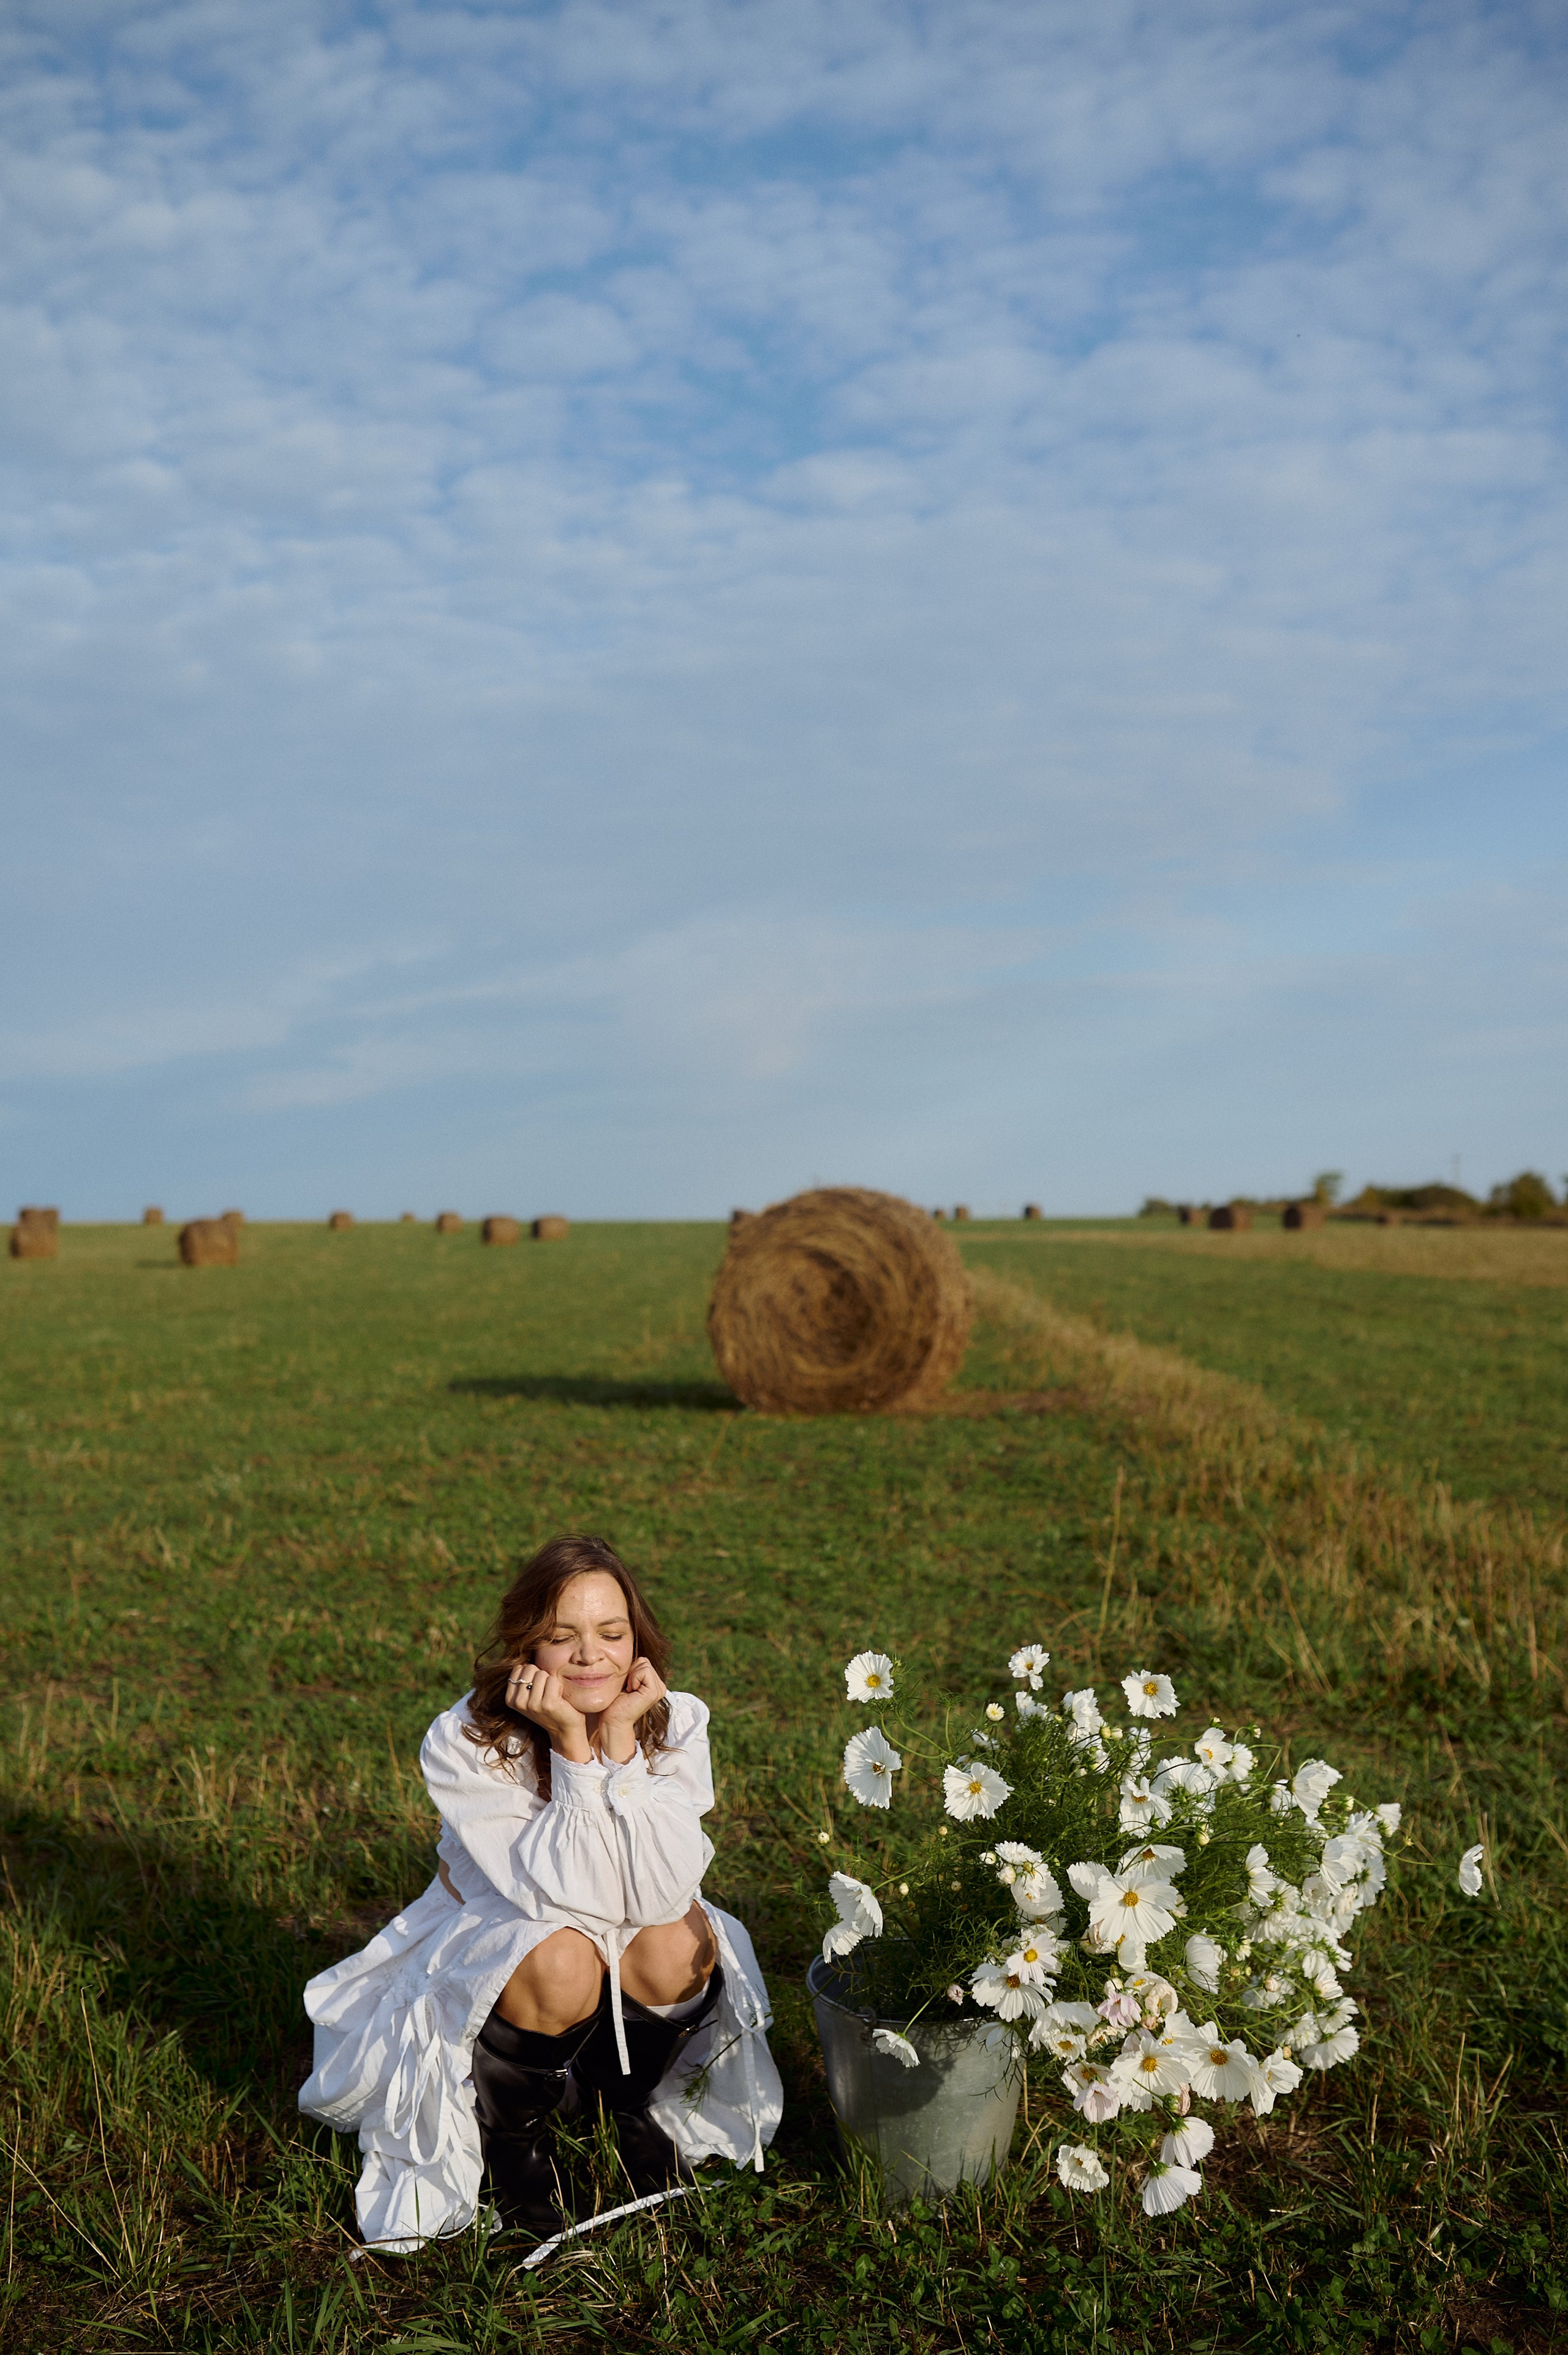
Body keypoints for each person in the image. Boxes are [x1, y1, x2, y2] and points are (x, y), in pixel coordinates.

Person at [299, 1534, 782, 2251]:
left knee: (680, 1937)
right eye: (562, 1637)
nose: (592, 1656)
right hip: (510, 1929)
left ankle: (630, 2105)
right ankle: (513, 2144)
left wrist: (618, 1738)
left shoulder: (674, 1717)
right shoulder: (465, 1735)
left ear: (636, 1639)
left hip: (619, 1919)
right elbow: (564, 1897)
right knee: (562, 1954)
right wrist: (572, 1745)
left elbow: (662, 1891)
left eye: (612, 1633)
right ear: (527, 1646)